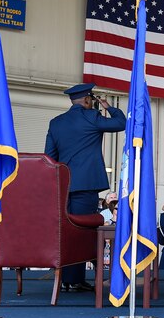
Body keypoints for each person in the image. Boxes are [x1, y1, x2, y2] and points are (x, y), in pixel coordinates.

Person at [45, 82, 126, 292]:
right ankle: (74, 280)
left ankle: (67, 278)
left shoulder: (56, 123)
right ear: (89, 100)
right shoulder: (91, 117)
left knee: (66, 229)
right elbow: (121, 123)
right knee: (83, 231)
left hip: (63, 186)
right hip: (86, 185)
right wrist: (108, 107)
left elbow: (50, 157)